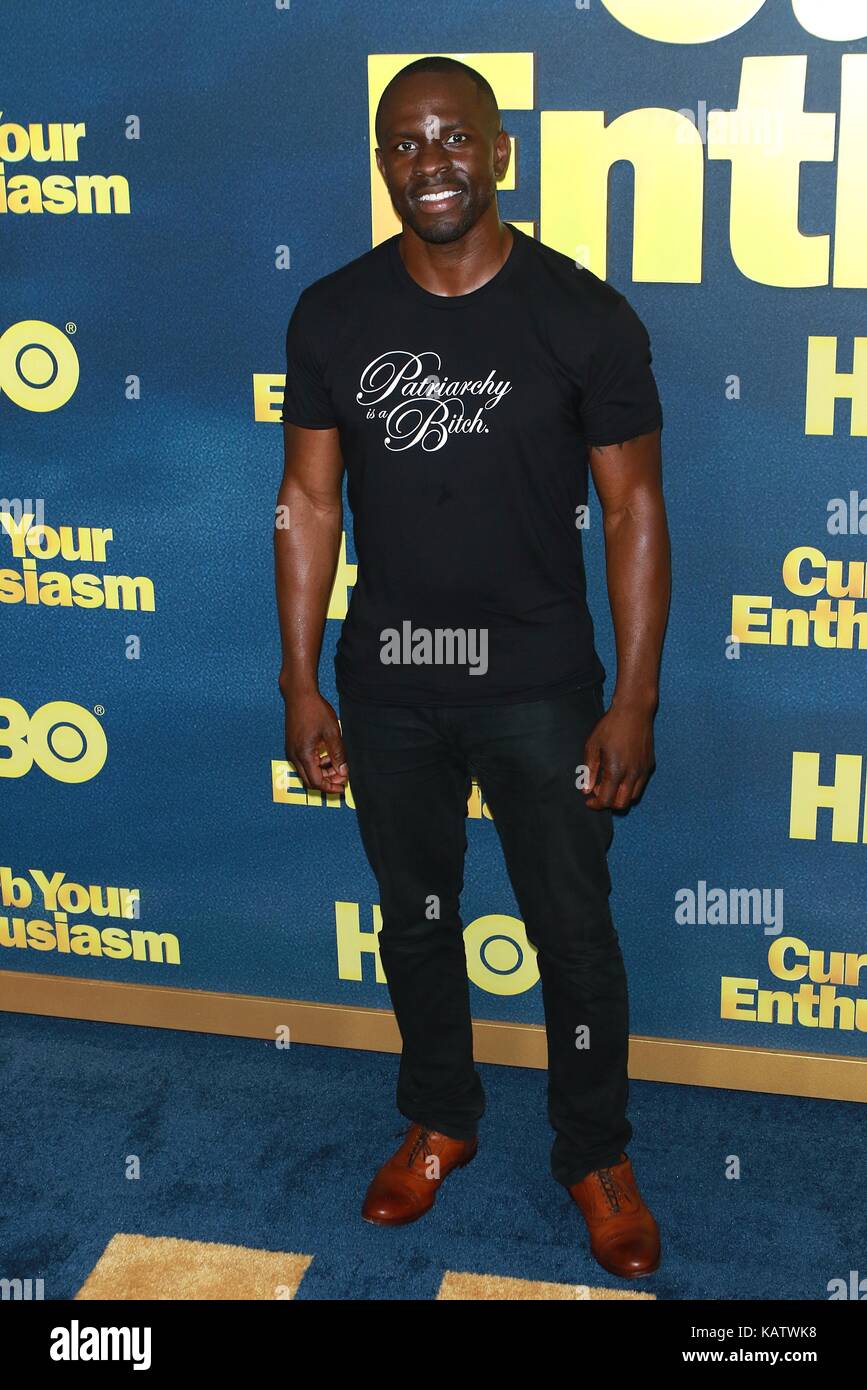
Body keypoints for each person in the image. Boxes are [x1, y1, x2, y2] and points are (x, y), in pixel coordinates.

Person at [274, 55, 671, 1279]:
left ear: (500, 154)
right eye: (404, 141)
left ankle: (594, 1150)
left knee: (573, 931)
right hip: (391, 679)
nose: (430, 160)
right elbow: (305, 501)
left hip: (540, 684)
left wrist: (634, 697)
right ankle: (443, 1116)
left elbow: (637, 510)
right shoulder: (335, 315)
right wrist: (301, 680)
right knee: (419, 919)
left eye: (455, 137)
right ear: (384, 162)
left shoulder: (582, 313)